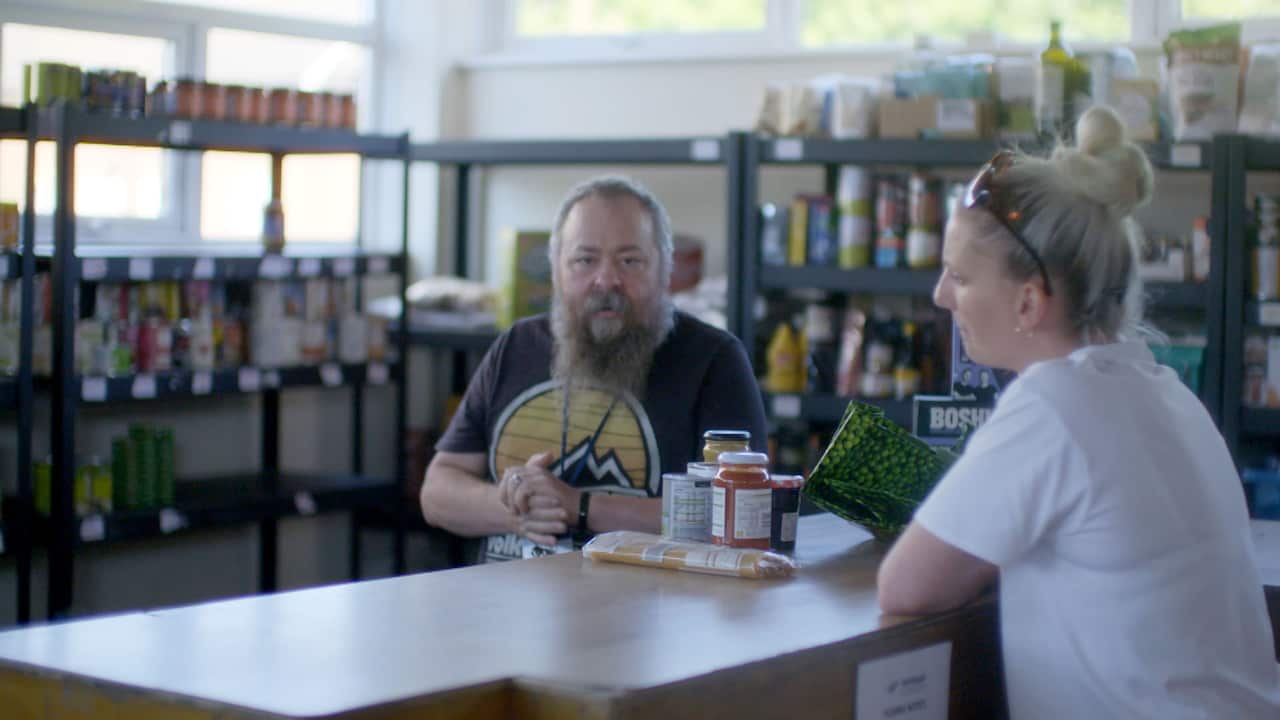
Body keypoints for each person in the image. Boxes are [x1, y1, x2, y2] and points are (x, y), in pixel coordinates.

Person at [877, 106, 1280, 718]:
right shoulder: (1165, 390)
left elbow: (906, 586)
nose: (941, 296)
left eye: (959, 275)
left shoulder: (1051, 404)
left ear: (1029, 301)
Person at [421, 175, 768, 563]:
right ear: (556, 269)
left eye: (629, 261)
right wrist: (519, 507)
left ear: (664, 269)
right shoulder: (516, 346)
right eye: (585, 260)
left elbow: (738, 513)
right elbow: (437, 490)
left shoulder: (714, 359)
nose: (606, 279)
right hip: (506, 611)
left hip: (650, 614)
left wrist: (581, 507)